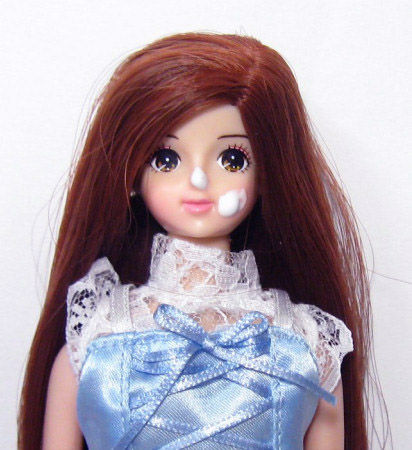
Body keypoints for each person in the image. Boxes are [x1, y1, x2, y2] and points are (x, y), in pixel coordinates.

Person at [19, 33, 370, 449]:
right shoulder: (97, 340)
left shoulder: (306, 345)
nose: (199, 179)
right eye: (166, 159)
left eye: (232, 160)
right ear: (131, 176)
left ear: (269, 173)